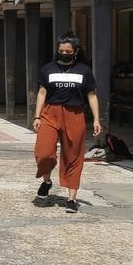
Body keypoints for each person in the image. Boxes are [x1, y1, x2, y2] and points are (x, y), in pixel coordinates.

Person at [33, 35, 102, 213]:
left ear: (75, 52)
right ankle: (46, 181)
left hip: (75, 114)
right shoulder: (48, 69)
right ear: (57, 50)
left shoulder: (84, 70)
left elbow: (92, 95)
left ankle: (71, 198)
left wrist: (96, 119)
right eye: (61, 51)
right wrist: (37, 116)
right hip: (50, 113)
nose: (64, 54)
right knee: (44, 152)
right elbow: (42, 93)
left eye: (68, 51)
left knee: (73, 155)